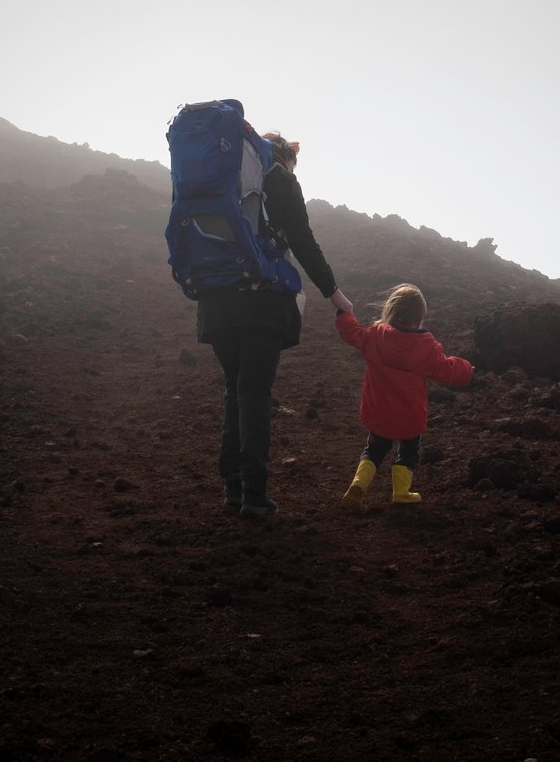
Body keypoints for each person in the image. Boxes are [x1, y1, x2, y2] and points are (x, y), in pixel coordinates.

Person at [197, 132, 352, 520]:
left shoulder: (220, 177)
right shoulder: (279, 177)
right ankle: (254, 494)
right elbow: (302, 240)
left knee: (236, 390)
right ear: (283, 156)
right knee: (254, 393)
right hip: (261, 302)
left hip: (216, 301)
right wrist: (335, 294)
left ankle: (234, 488)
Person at [336, 283, 473, 506]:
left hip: (379, 412)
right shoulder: (426, 347)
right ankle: (401, 493)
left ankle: (358, 485)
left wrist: (344, 314)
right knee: (408, 453)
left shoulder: (375, 337)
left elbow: (353, 333)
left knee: (374, 450)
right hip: (410, 416)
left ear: (392, 309)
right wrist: (467, 369)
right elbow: (445, 369)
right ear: (420, 316)